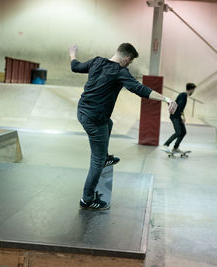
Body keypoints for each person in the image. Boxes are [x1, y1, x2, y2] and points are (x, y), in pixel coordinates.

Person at [69, 43, 177, 210]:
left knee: (109, 122)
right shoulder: (120, 72)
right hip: (95, 119)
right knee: (96, 162)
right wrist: (166, 99)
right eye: (131, 61)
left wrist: (72, 54)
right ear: (126, 58)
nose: (130, 64)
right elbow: (140, 89)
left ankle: (104, 157)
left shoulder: (97, 61)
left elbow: (75, 67)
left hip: (82, 111)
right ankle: (87, 199)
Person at [161, 83, 196, 153]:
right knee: (178, 132)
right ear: (191, 89)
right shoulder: (183, 95)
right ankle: (165, 145)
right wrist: (182, 117)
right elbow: (179, 107)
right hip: (175, 116)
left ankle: (175, 148)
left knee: (183, 132)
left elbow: (181, 108)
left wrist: (183, 117)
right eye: (194, 90)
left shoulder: (184, 95)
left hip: (177, 116)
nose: (193, 92)